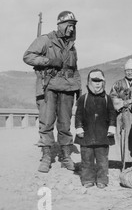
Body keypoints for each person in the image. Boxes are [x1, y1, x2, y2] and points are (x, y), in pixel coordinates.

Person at [23, 10, 82, 173]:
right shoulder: (45, 40)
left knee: (64, 124)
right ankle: (47, 156)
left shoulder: (71, 46)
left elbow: (74, 69)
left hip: (67, 88)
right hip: (48, 86)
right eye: (69, 26)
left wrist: (79, 89)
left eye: (73, 26)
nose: (72, 29)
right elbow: (28, 56)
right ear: (61, 25)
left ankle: (65, 156)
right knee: (47, 122)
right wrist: (48, 61)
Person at [75, 69, 117, 188]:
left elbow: (112, 114)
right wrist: (78, 127)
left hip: (102, 134)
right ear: (89, 82)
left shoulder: (107, 99)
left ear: (103, 82)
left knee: (102, 159)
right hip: (86, 134)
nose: (97, 84)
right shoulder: (83, 98)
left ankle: (102, 180)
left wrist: (112, 126)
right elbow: (78, 115)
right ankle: (88, 179)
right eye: (94, 81)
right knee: (86, 158)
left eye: (100, 81)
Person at [109, 58, 132, 167]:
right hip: (122, 114)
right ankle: (123, 161)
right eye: (127, 70)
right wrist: (122, 103)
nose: (129, 72)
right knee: (122, 136)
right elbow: (112, 97)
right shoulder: (118, 83)